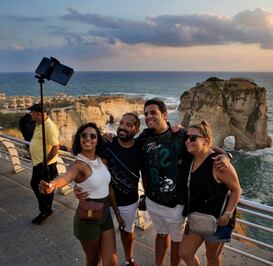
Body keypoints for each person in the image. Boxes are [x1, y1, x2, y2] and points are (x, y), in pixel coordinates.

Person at [136, 98, 231, 266]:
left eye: (153, 113)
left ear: (164, 115)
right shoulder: (145, 136)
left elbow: (205, 145)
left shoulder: (180, 135)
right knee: (161, 234)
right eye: (146, 114)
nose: (149, 116)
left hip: (176, 205)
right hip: (152, 201)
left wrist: (226, 155)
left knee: (176, 241)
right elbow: (127, 146)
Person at [40, 122, 122, 266]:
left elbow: (109, 188)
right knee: (93, 260)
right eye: (84, 135)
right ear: (79, 139)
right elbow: (66, 177)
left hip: (106, 216)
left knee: (111, 261)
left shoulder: (103, 161)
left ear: (97, 140)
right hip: (87, 219)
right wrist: (52, 185)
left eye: (92, 136)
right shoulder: (78, 166)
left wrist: (117, 213)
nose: (88, 138)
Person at [75, 113, 142, 266]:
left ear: (136, 130)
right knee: (100, 236)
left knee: (127, 232)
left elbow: (145, 171)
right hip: (103, 200)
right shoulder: (106, 144)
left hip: (129, 201)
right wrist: (78, 186)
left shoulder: (140, 148)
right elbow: (86, 164)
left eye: (129, 124)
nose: (123, 127)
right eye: (122, 122)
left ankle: (128, 259)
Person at [179, 121, 241, 266]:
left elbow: (236, 189)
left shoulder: (219, 164)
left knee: (211, 256)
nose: (188, 141)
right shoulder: (191, 158)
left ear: (205, 140)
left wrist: (228, 213)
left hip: (218, 220)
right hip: (196, 217)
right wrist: (226, 153)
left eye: (193, 138)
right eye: (187, 138)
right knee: (185, 253)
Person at [28, 103, 59, 225]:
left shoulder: (49, 127)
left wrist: (44, 162)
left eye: (32, 112)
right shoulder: (38, 124)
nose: (31, 114)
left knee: (43, 186)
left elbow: (55, 147)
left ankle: (45, 210)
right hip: (38, 163)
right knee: (41, 186)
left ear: (39, 114)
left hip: (46, 165)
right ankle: (46, 209)